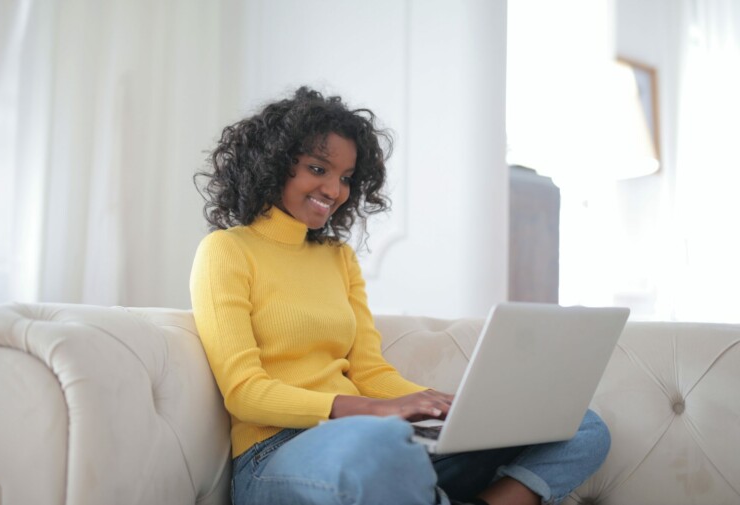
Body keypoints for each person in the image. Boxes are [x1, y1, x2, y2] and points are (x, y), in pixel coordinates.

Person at [190, 86, 610, 505]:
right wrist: (370, 412)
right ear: (274, 164)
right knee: (384, 441)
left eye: (346, 178)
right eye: (318, 169)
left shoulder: (338, 259)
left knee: (582, 426)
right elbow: (244, 392)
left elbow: (370, 372)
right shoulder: (227, 251)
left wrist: (446, 407)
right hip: (276, 454)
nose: (335, 191)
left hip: (372, 441)